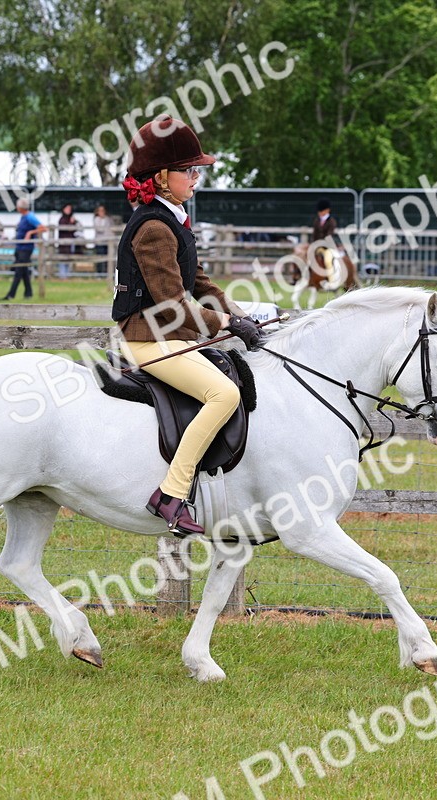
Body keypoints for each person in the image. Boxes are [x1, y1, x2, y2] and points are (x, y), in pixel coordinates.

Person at [113, 115, 262, 535]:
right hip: (148, 338)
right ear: (162, 177)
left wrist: (240, 317)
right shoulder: (154, 229)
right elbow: (174, 302)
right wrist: (227, 323)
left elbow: (198, 283)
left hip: (167, 334)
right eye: (189, 170)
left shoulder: (171, 219)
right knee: (223, 393)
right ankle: (171, 493)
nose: (196, 177)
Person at [1, 198, 47, 300]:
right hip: (20, 247)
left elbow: (43, 228)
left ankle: (10, 295)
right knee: (24, 271)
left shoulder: (30, 217)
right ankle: (28, 293)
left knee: (19, 271)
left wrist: (30, 233)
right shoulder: (23, 217)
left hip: (25, 249)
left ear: (20, 207)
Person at [56, 203, 78, 279]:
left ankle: (68, 275)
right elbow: (65, 229)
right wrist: (71, 223)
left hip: (71, 242)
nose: (68, 210)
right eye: (67, 209)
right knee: (63, 258)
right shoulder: (62, 219)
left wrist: (73, 223)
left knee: (69, 259)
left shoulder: (73, 219)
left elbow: (75, 229)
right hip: (63, 243)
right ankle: (63, 275)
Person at [92, 204, 112, 273]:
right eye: (100, 211)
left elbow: (111, 229)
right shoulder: (96, 219)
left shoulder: (108, 219)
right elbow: (99, 229)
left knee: (108, 259)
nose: (102, 212)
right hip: (99, 241)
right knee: (99, 258)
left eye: (103, 210)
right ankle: (99, 273)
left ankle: (106, 273)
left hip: (107, 241)